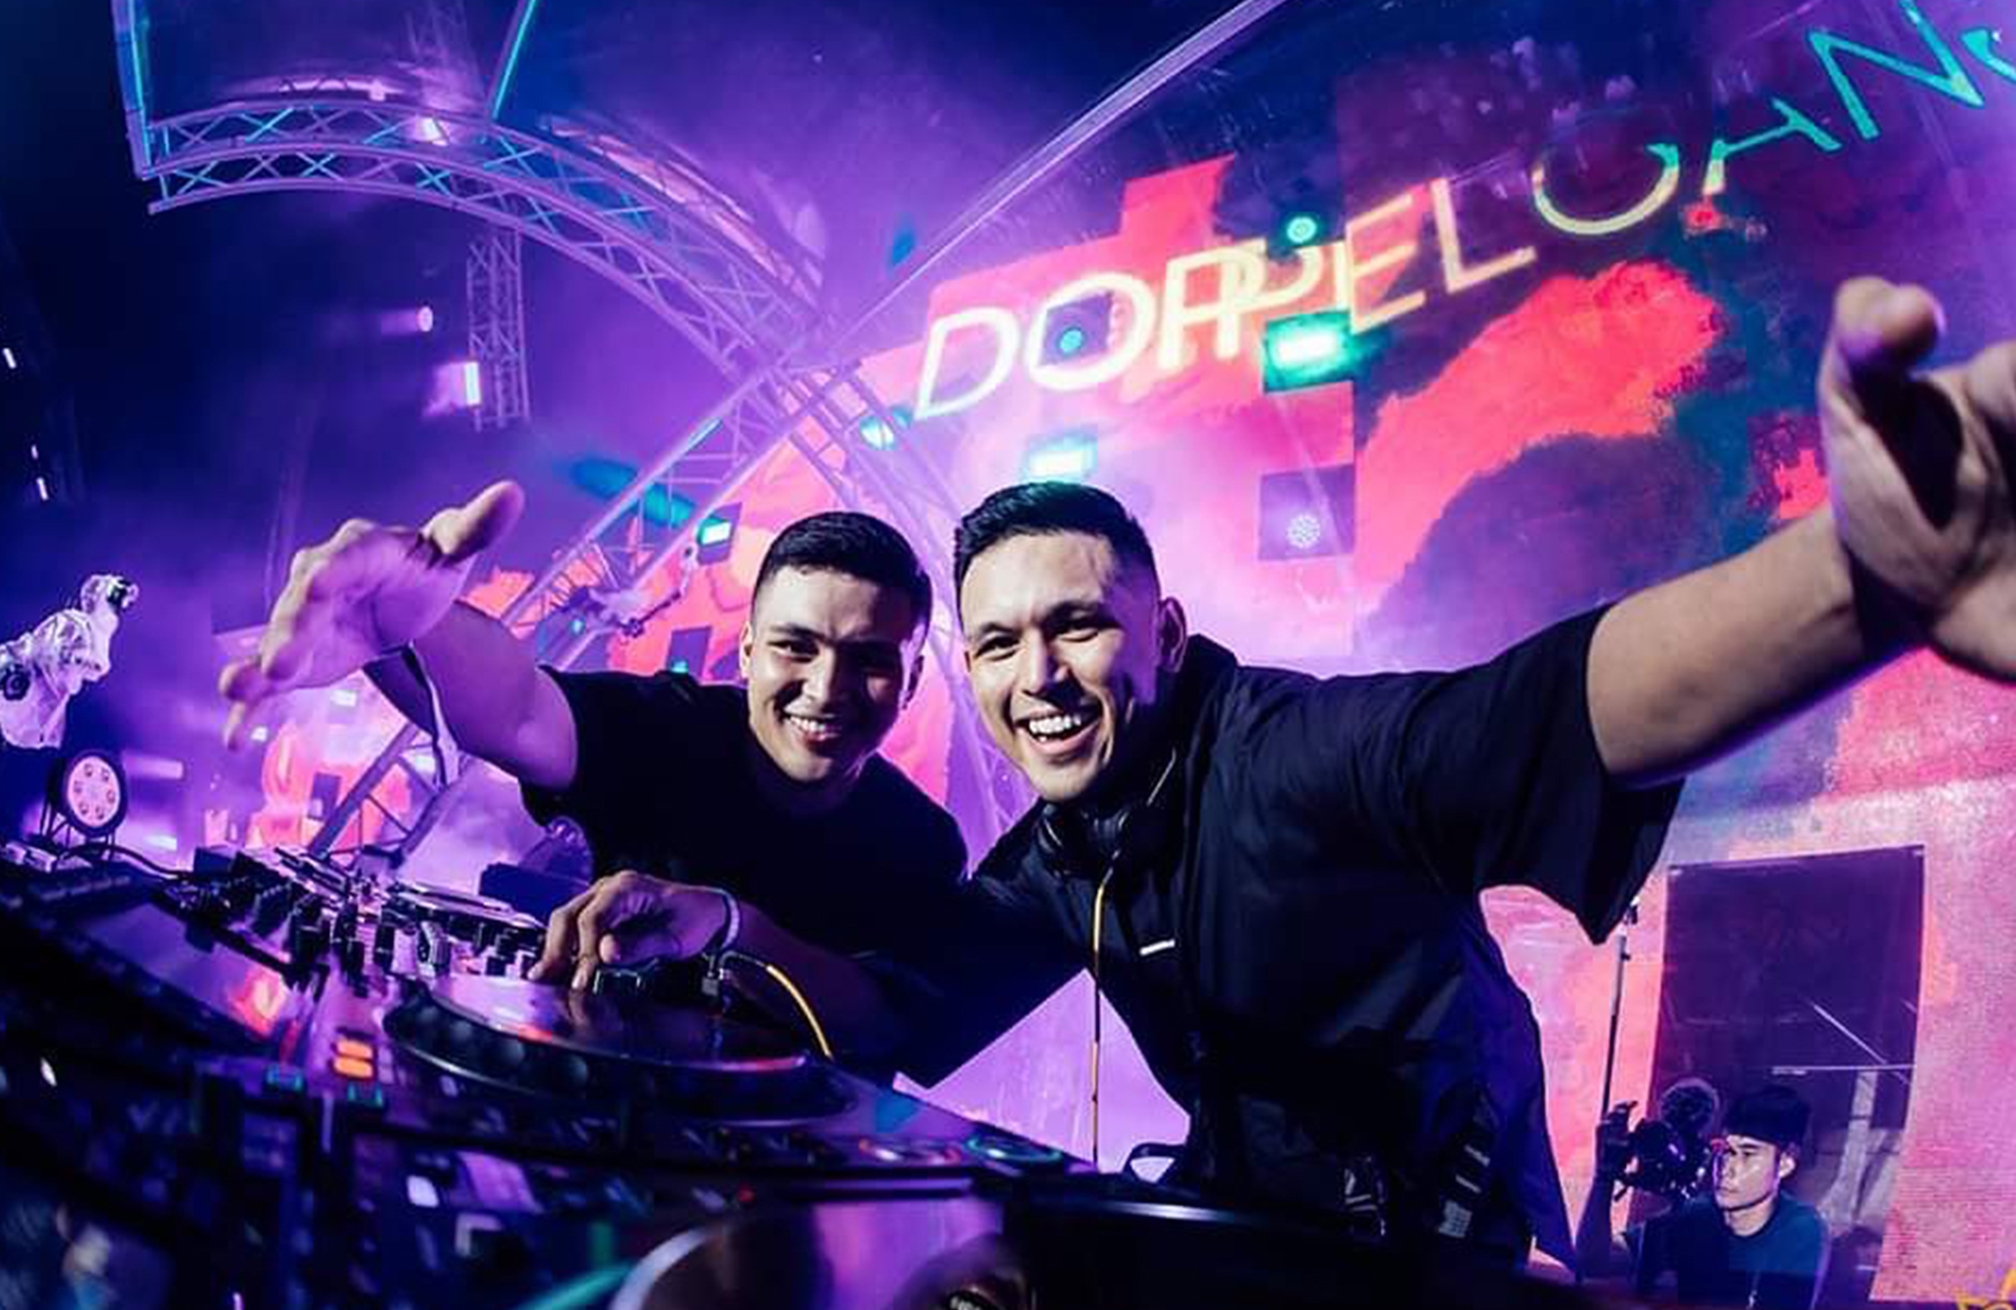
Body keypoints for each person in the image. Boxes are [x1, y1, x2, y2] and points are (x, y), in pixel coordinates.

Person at [897, 278, 2016, 1267]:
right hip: (1260, 1210)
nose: (1038, 676)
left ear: (1168, 634)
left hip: (1441, 1236)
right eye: (997, 644)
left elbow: (1541, 712)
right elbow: (896, 1000)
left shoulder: (1293, 754)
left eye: (1079, 625)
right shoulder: (1064, 852)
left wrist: (1860, 582)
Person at [220, 502, 967, 1069]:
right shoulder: (673, 729)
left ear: (912, 682)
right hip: (615, 1116)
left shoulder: (921, 843)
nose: (826, 689)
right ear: (747, 651)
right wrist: (403, 626)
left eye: (870, 661)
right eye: (795, 647)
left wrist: (731, 924)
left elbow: (887, 1025)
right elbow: (520, 711)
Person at [1632, 1086, 1830, 1308]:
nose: (1728, 1168)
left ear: (1784, 1164)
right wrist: (1606, 1179)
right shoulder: (1697, 1211)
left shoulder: (1800, 1228)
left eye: (1748, 1154)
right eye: (1726, 1151)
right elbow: (1607, 1258)